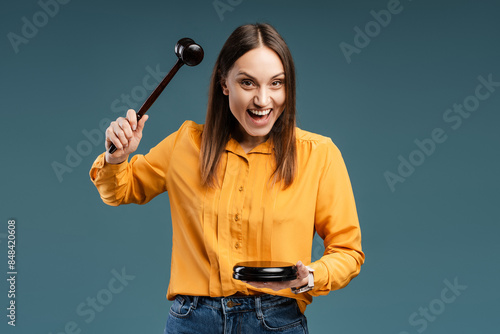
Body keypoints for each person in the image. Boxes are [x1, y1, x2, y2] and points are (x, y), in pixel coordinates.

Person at [90, 23, 364, 334]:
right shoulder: (185, 144)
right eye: (248, 83)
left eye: (276, 83)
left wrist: (312, 276)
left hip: (276, 320)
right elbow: (118, 191)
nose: (263, 99)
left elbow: (347, 251)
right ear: (224, 84)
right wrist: (116, 158)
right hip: (193, 321)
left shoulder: (319, 154)